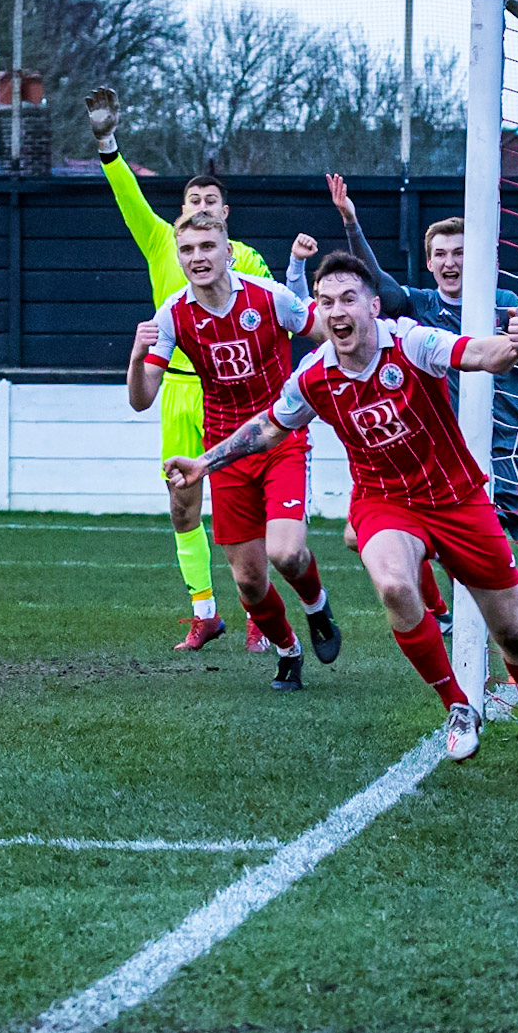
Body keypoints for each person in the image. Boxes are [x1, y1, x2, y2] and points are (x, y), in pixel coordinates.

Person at [165, 252, 518, 775]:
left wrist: (511, 346)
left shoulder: (409, 341)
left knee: (513, 631)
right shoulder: (313, 375)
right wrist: (203, 463)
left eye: (348, 299)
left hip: (455, 498)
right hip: (384, 501)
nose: (337, 310)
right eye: (326, 301)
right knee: (396, 588)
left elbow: (476, 354)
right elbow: (268, 427)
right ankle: (456, 706)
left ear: (372, 306)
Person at [322, 174, 518, 685]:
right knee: (485, 572)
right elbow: (374, 281)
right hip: (459, 466)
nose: (451, 261)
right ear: (430, 262)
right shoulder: (419, 306)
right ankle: (488, 657)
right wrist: (351, 222)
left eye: (459, 252)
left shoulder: (502, 301)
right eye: (441, 253)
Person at [87, 85, 304, 655]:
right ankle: (204, 613)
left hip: (234, 398)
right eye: (193, 200)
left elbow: (279, 317)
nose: (202, 207)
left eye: (211, 200)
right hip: (175, 393)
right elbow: (128, 195)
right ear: (181, 214)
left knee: (253, 511)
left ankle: (261, 615)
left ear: (225, 217)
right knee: (182, 504)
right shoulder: (162, 242)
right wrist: (108, 143)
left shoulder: (245, 260)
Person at [128, 212, 341, 691]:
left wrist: (322, 384)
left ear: (228, 251)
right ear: (179, 259)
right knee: (248, 581)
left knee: (286, 553)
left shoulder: (270, 298)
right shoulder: (173, 314)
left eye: (207, 247)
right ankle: (288, 651)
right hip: (223, 451)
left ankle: (316, 606)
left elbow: (327, 334)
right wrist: (137, 355)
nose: (197, 257)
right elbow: (142, 399)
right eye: (187, 250)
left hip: (281, 440)